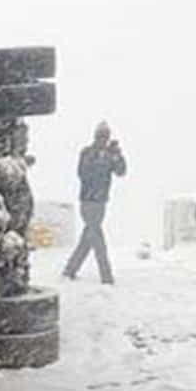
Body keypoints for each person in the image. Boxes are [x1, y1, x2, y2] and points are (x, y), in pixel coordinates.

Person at [62, 121, 127, 284]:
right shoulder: (87, 153)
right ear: (95, 137)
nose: (103, 140)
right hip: (88, 200)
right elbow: (82, 173)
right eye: (101, 137)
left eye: (105, 137)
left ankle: (70, 270)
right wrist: (101, 159)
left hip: (101, 201)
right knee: (97, 237)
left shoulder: (109, 154)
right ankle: (106, 276)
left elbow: (121, 172)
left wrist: (117, 155)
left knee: (89, 237)